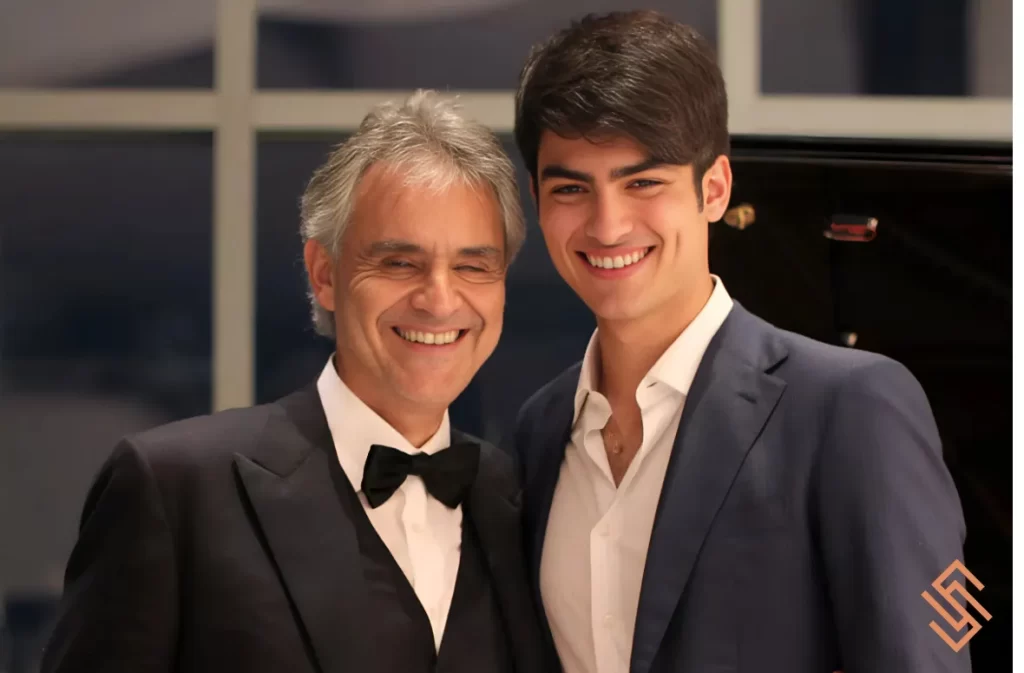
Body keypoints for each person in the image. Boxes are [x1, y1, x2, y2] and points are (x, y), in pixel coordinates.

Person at [512, 11, 971, 673]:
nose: (607, 225)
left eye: (643, 182)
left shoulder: (850, 408)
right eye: (572, 189)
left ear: (715, 189)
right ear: (537, 199)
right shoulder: (539, 429)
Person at [40, 90, 546, 673]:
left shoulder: (516, 499)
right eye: (399, 263)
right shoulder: (175, 490)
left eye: (472, 265)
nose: (439, 299)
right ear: (325, 275)